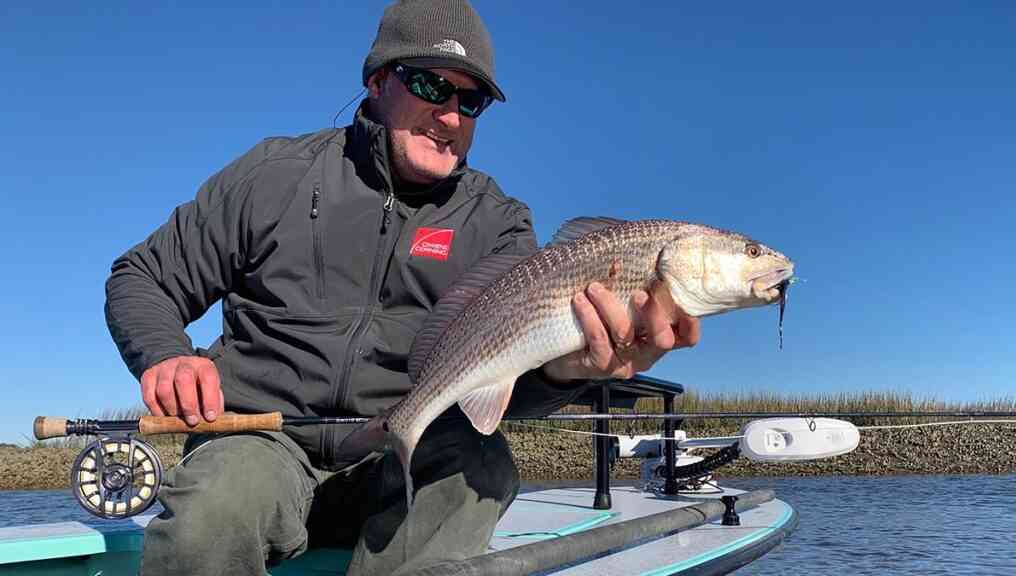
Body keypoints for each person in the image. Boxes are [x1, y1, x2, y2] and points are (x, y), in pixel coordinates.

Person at [104, 1, 701, 574]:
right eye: (433, 87)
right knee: (211, 515)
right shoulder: (273, 175)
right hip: (260, 440)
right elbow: (143, 277)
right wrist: (167, 354)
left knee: (481, 466)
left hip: (400, 455)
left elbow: (501, 391)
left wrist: (570, 373)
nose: (451, 117)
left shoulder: (498, 224)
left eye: (471, 102)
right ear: (378, 81)